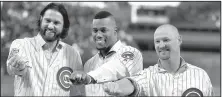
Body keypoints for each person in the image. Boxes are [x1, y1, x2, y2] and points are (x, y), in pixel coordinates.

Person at [102, 24, 214, 96]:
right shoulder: (148, 76)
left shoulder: (201, 76)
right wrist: (117, 86)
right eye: (157, 41)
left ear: (179, 40)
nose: (161, 45)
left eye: (166, 40)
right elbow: (132, 84)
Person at [6, 3, 84, 96]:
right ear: (41, 19)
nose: (50, 26)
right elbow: (12, 68)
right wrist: (18, 66)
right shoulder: (21, 44)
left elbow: (77, 92)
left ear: (63, 27)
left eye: (56, 23)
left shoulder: (73, 54)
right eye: (47, 20)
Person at [69, 11, 143, 96]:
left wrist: (90, 77)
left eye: (103, 30)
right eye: (95, 30)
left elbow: (114, 68)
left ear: (115, 31)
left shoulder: (132, 53)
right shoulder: (89, 64)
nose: (98, 35)